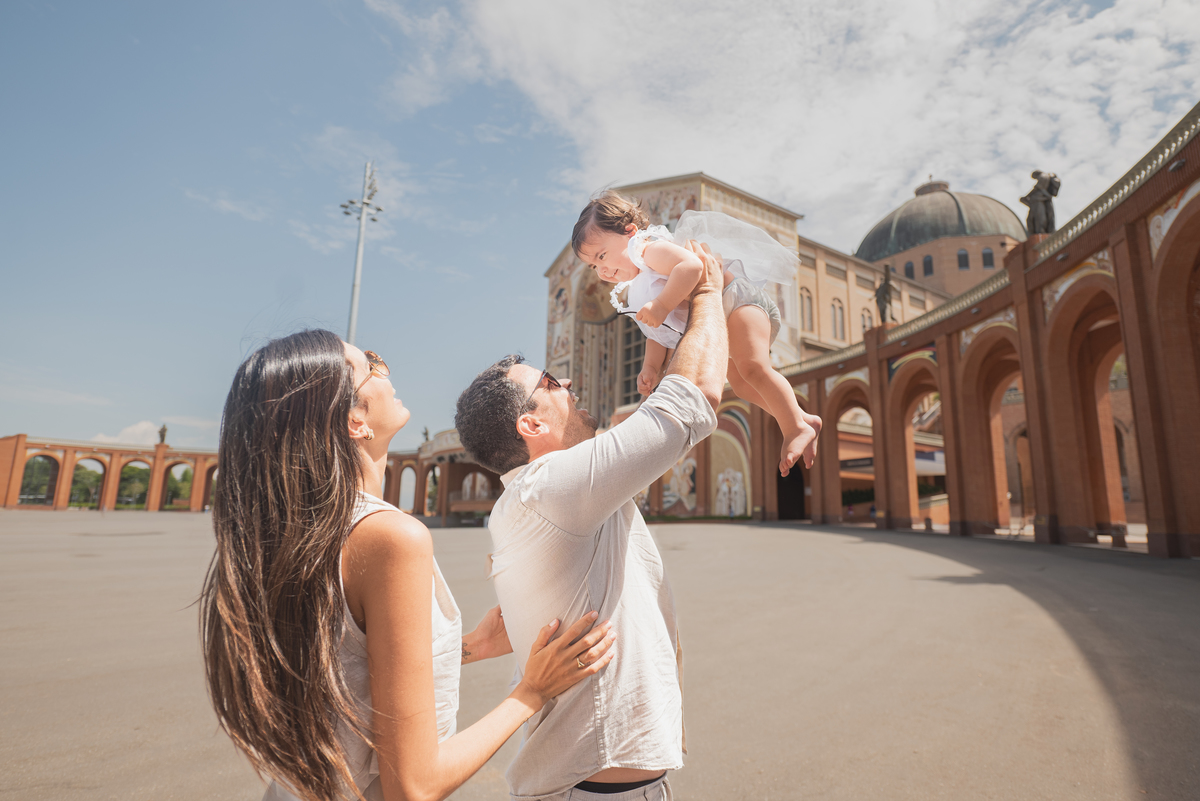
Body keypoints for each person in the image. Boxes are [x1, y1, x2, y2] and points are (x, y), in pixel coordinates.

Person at [200, 329, 615, 801]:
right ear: (355, 420)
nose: (386, 370)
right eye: (370, 365)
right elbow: (414, 786)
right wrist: (532, 692)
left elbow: (342, 670)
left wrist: (468, 648)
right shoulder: (389, 537)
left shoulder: (300, 530)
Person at [453, 242, 728, 801]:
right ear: (531, 425)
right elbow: (695, 397)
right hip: (602, 790)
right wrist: (708, 292)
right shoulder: (554, 486)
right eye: (551, 384)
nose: (569, 384)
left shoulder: (522, 500)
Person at [571, 190, 821, 476]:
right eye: (594, 265)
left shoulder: (646, 249)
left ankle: (794, 427)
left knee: (753, 368)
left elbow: (691, 266)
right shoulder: (637, 285)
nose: (602, 271)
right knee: (740, 384)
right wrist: (650, 367)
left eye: (602, 255)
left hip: (737, 301)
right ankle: (803, 418)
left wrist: (661, 304)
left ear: (629, 232)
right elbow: (657, 332)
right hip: (724, 322)